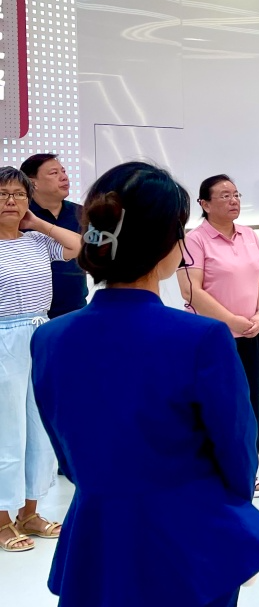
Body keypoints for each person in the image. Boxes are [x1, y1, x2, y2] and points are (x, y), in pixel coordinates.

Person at [29, 162, 259, 605]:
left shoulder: (50, 338)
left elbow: (66, 452)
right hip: (189, 535)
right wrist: (233, 521)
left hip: (97, 533)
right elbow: (237, 453)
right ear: (167, 243)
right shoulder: (201, 338)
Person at [0, 166, 80, 553]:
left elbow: (79, 247)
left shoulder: (36, 240)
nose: (11, 201)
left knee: (41, 427)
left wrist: (39, 224)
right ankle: (2, 519)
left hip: (41, 335)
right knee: (7, 431)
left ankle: (29, 512)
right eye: (3, 194)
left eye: (18, 194)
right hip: (4, 340)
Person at [177, 174, 259, 498]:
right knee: (218, 406)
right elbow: (190, 290)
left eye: (236, 194)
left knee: (249, 404)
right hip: (212, 338)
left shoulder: (248, 235)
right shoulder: (195, 240)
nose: (234, 200)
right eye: (224, 195)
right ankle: (216, 472)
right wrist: (231, 320)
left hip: (250, 333)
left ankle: (248, 468)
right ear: (204, 204)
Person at [21, 154, 87, 319]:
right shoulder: (21, 216)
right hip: (32, 315)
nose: (64, 177)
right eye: (54, 173)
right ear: (32, 183)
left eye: (63, 171)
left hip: (76, 309)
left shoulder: (82, 213)